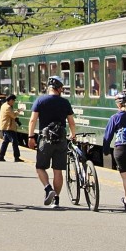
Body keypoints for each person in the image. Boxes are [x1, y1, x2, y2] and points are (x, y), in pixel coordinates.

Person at [27, 76, 77, 209]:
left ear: (49, 88)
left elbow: (32, 120)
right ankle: (56, 200)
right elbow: (71, 122)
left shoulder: (40, 100)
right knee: (58, 171)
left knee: (40, 167)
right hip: (61, 139)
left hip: (45, 139)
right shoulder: (65, 103)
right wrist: (73, 135)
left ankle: (48, 189)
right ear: (59, 88)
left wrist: (31, 137)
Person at [0, 94, 24, 162]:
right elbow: (13, 116)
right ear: (10, 100)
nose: (14, 102)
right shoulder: (7, 107)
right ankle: (16, 157)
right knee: (15, 142)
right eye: (13, 100)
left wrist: (16, 111)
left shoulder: (4, 105)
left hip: (6, 126)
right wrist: (18, 111)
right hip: (9, 127)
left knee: (5, 142)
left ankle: (1, 156)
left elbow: (11, 114)